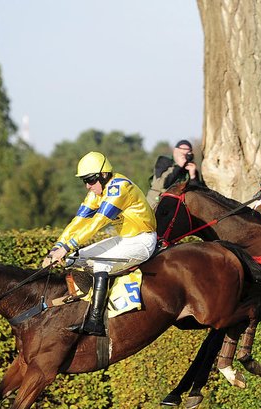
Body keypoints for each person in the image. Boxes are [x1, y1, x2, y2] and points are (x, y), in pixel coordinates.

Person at [42, 151, 159, 336]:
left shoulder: (120, 188)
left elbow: (98, 222)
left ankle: (95, 322)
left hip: (143, 240)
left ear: (104, 175)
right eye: (84, 181)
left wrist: (66, 247)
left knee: (101, 263)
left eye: (90, 180)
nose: (88, 186)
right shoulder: (97, 191)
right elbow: (78, 221)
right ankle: (86, 304)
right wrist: (57, 247)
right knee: (76, 258)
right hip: (125, 239)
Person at [147, 139, 202, 204]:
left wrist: (193, 176)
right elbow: (164, 184)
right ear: (175, 151)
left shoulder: (190, 168)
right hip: (157, 201)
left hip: (176, 204)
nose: (184, 156)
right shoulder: (164, 161)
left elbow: (196, 192)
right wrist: (178, 166)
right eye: (182, 153)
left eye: (187, 154)